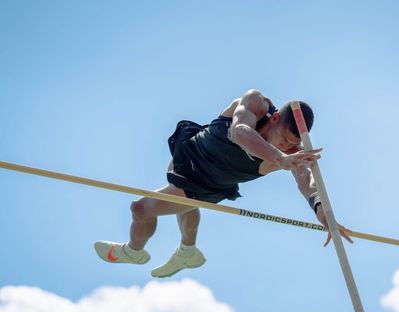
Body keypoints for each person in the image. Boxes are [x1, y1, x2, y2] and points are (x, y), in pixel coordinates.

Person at [94, 89, 353, 278]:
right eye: (284, 139)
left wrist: (321, 211)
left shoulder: (292, 153)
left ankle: (133, 251)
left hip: (208, 183)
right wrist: (280, 157)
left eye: (290, 145)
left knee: (140, 209)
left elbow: (307, 181)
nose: (286, 147)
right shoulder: (256, 103)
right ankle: (188, 251)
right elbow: (239, 132)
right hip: (191, 149)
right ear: (274, 119)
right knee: (182, 198)